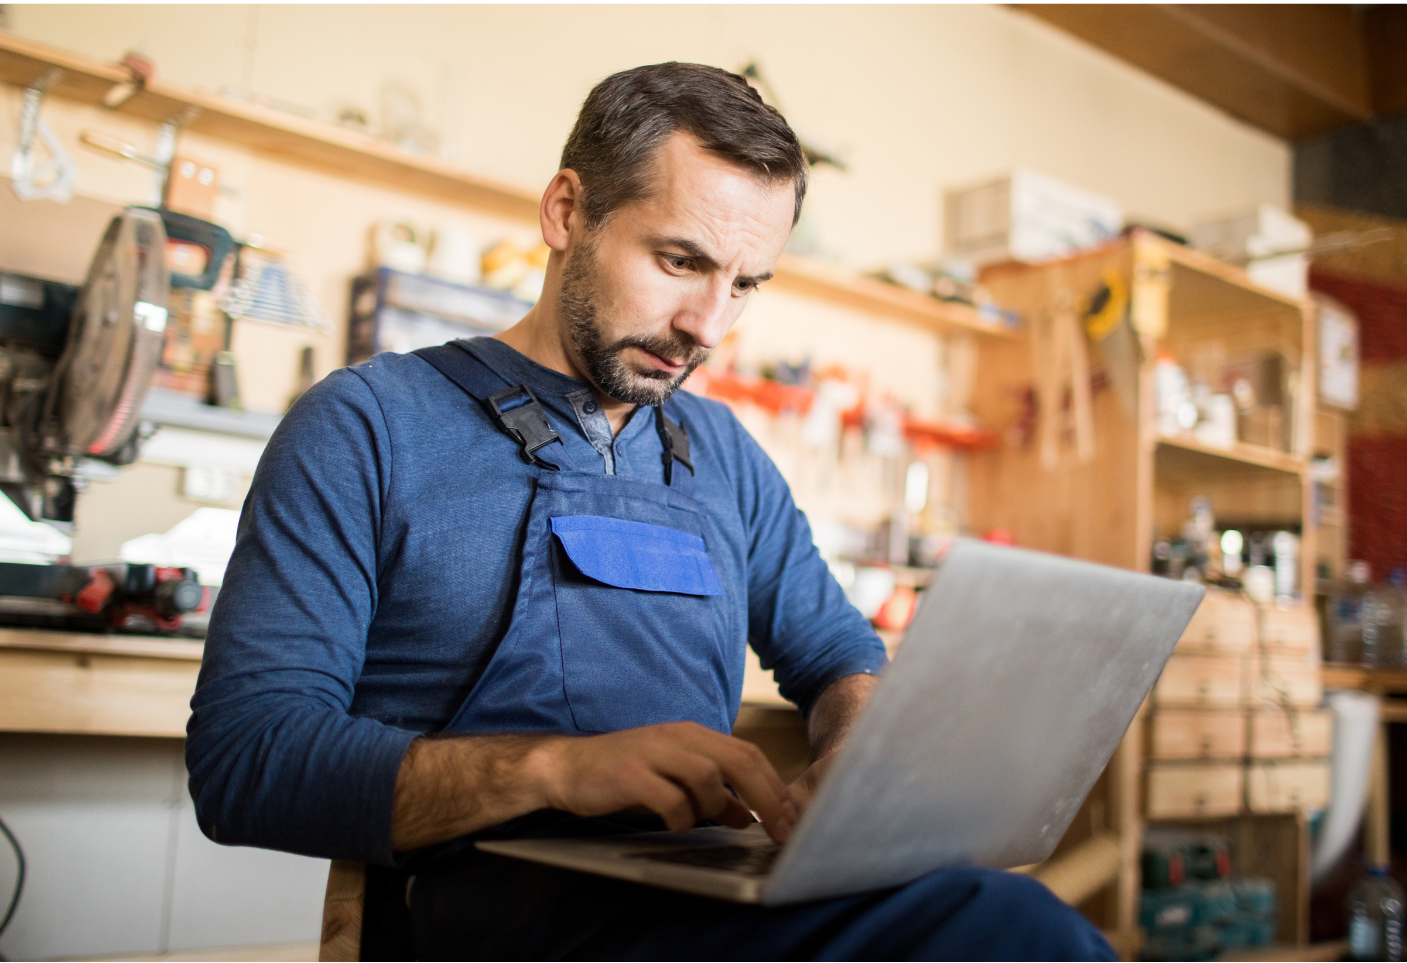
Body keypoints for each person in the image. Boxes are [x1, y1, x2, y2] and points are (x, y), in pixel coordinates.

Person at [186, 62, 1114, 961]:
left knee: (996, 918)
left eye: (746, 284)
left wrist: (860, 753)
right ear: (566, 212)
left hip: (698, 893)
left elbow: (837, 655)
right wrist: (555, 768)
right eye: (680, 260)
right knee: (1011, 933)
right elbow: (247, 761)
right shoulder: (367, 424)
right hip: (488, 918)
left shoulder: (721, 454)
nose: (708, 326)